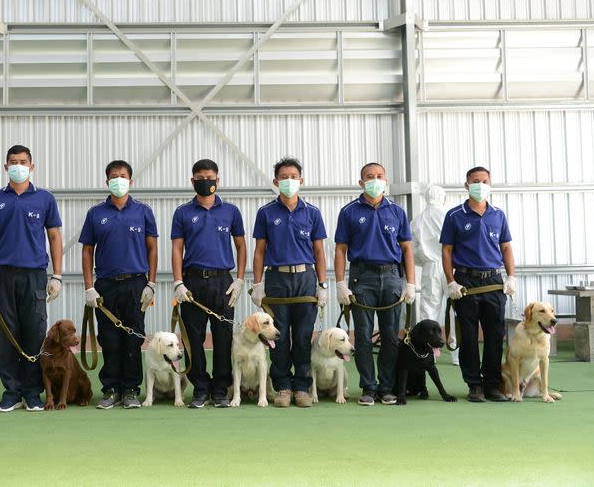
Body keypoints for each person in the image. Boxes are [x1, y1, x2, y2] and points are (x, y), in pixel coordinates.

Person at [0, 145, 64, 413]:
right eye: (13, 162)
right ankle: (11, 392)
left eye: (23, 161)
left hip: (34, 275)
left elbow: (54, 237)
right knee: (5, 336)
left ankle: (32, 392)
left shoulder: (45, 199)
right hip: (3, 275)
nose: (18, 165)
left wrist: (57, 275)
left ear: (32, 166)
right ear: (6, 167)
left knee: (35, 333)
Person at [334, 162, 416, 406]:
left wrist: (410, 283)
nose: (375, 180)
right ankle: (369, 387)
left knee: (391, 336)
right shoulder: (349, 211)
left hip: (391, 275)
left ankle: (386, 387)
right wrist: (340, 283)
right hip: (362, 277)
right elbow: (340, 249)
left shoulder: (397, 212)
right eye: (370, 177)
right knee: (363, 335)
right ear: (361, 182)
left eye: (379, 176)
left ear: (386, 179)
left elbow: (407, 249)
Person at [250, 157, 328, 408]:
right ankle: (282, 386)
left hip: (305, 279)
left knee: (304, 336)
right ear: (275, 181)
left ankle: (302, 387)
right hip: (277, 280)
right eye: (284, 177)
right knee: (278, 337)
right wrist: (258, 284)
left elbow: (319, 252)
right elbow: (259, 251)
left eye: (293, 176)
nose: (289, 181)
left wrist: (323, 285)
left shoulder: (313, 213)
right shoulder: (265, 213)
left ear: (301, 180)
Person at [81, 160, 158, 410]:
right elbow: (87, 251)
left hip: (136, 284)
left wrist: (152, 284)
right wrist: (89, 287)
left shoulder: (143, 211)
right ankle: (111, 388)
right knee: (109, 339)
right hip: (105, 286)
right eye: (114, 176)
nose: (119, 180)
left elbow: (152, 249)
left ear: (131, 181)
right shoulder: (95, 214)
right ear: (107, 182)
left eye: (123, 176)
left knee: (133, 338)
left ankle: (131, 390)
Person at [171, 159, 247, 408]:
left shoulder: (231, 211)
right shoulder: (182, 212)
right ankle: (200, 388)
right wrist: (178, 282)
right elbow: (176, 249)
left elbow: (241, 246)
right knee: (193, 338)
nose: (206, 182)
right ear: (193, 181)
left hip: (222, 282)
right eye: (201, 178)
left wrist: (239, 279)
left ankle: (220, 389)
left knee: (223, 336)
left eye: (210, 177)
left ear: (218, 180)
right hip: (192, 282)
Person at [440, 166, 515, 402]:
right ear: (466, 185)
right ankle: (474, 385)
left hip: (493, 281)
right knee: (468, 337)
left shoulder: (498, 215)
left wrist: (511, 276)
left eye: (484, 181)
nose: (480, 185)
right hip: (465, 281)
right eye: (475, 181)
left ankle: (492, 385)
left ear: (490, 184)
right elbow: (446, 250)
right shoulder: (455, 215)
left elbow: (506, 248)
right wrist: (451, 281)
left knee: (495, 335)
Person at [410, 184, 459, 365]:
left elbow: (411, 249)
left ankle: (426, 353)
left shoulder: (417, 220)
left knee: (428, 310)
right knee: (455, 310)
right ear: (443, 197)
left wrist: (425, 260)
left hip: (430, 268)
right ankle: (456, 354)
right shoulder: (450, 216)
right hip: (451, 267)